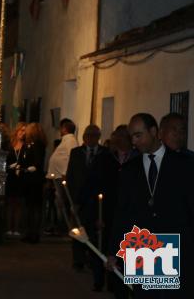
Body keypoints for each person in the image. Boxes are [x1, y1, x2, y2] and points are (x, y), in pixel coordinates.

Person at [108, 113, 194, 297]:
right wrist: (114, 250)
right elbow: (122, 213)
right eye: (131, 136)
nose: (133, 141)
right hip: (143, 244)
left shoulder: (184, 164)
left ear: (154, 132)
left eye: (138, 135)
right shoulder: (129, 169)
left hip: (177, 244)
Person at [83, 125, 135, 298]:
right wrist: (95, 213)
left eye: (122, 137)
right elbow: (93, 184)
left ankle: (117, 282)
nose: (118, 140)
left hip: (126, 212)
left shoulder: (136, 159)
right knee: (102, 246)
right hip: (104, 210)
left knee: (123, 249)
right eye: (116, 137)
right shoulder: (104, 158)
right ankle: (99, 279)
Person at [66, 124, 109, 276]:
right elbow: (71, 176)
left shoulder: (105, 153)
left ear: (99, 137)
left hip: (96, 200)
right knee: (78, 229)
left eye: (94, 136)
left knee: (94, 231)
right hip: (78, 198)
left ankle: (93, 259)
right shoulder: (76, 153)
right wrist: (71, 200)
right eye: (88, 136)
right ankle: (78, 260)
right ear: (84, 138)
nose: (91, 139)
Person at [45, 118, 78, 235]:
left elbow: (71, 157)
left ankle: (64, 226)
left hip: (62, 177)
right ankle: (60, 225)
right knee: (58, 203)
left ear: (64, 129)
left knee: (62, 203)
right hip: (58, 177)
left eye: (61, 128)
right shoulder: (66, 140)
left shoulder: (70, 141)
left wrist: (64, 173)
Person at [20, 122, 47, 244]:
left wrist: (32, 166)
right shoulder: (28, 144)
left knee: (34, 206)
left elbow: (37, 161)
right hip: (28, 179)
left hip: (35, 179)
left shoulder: (38, 145)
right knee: (29, 206)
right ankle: (29, 231)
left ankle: (34, 233)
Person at [5, 122, 27, 237]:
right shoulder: (10, 146)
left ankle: (16, 228)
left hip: (20, 177)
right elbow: (5, 160)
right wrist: (9, 166)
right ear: (17, 131)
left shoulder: (26, 146)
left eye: (25, 131)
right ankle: (9, 228)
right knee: (10, 203)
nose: (22, 133)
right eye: (21, 130)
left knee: (18, 203)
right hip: (10, 176)